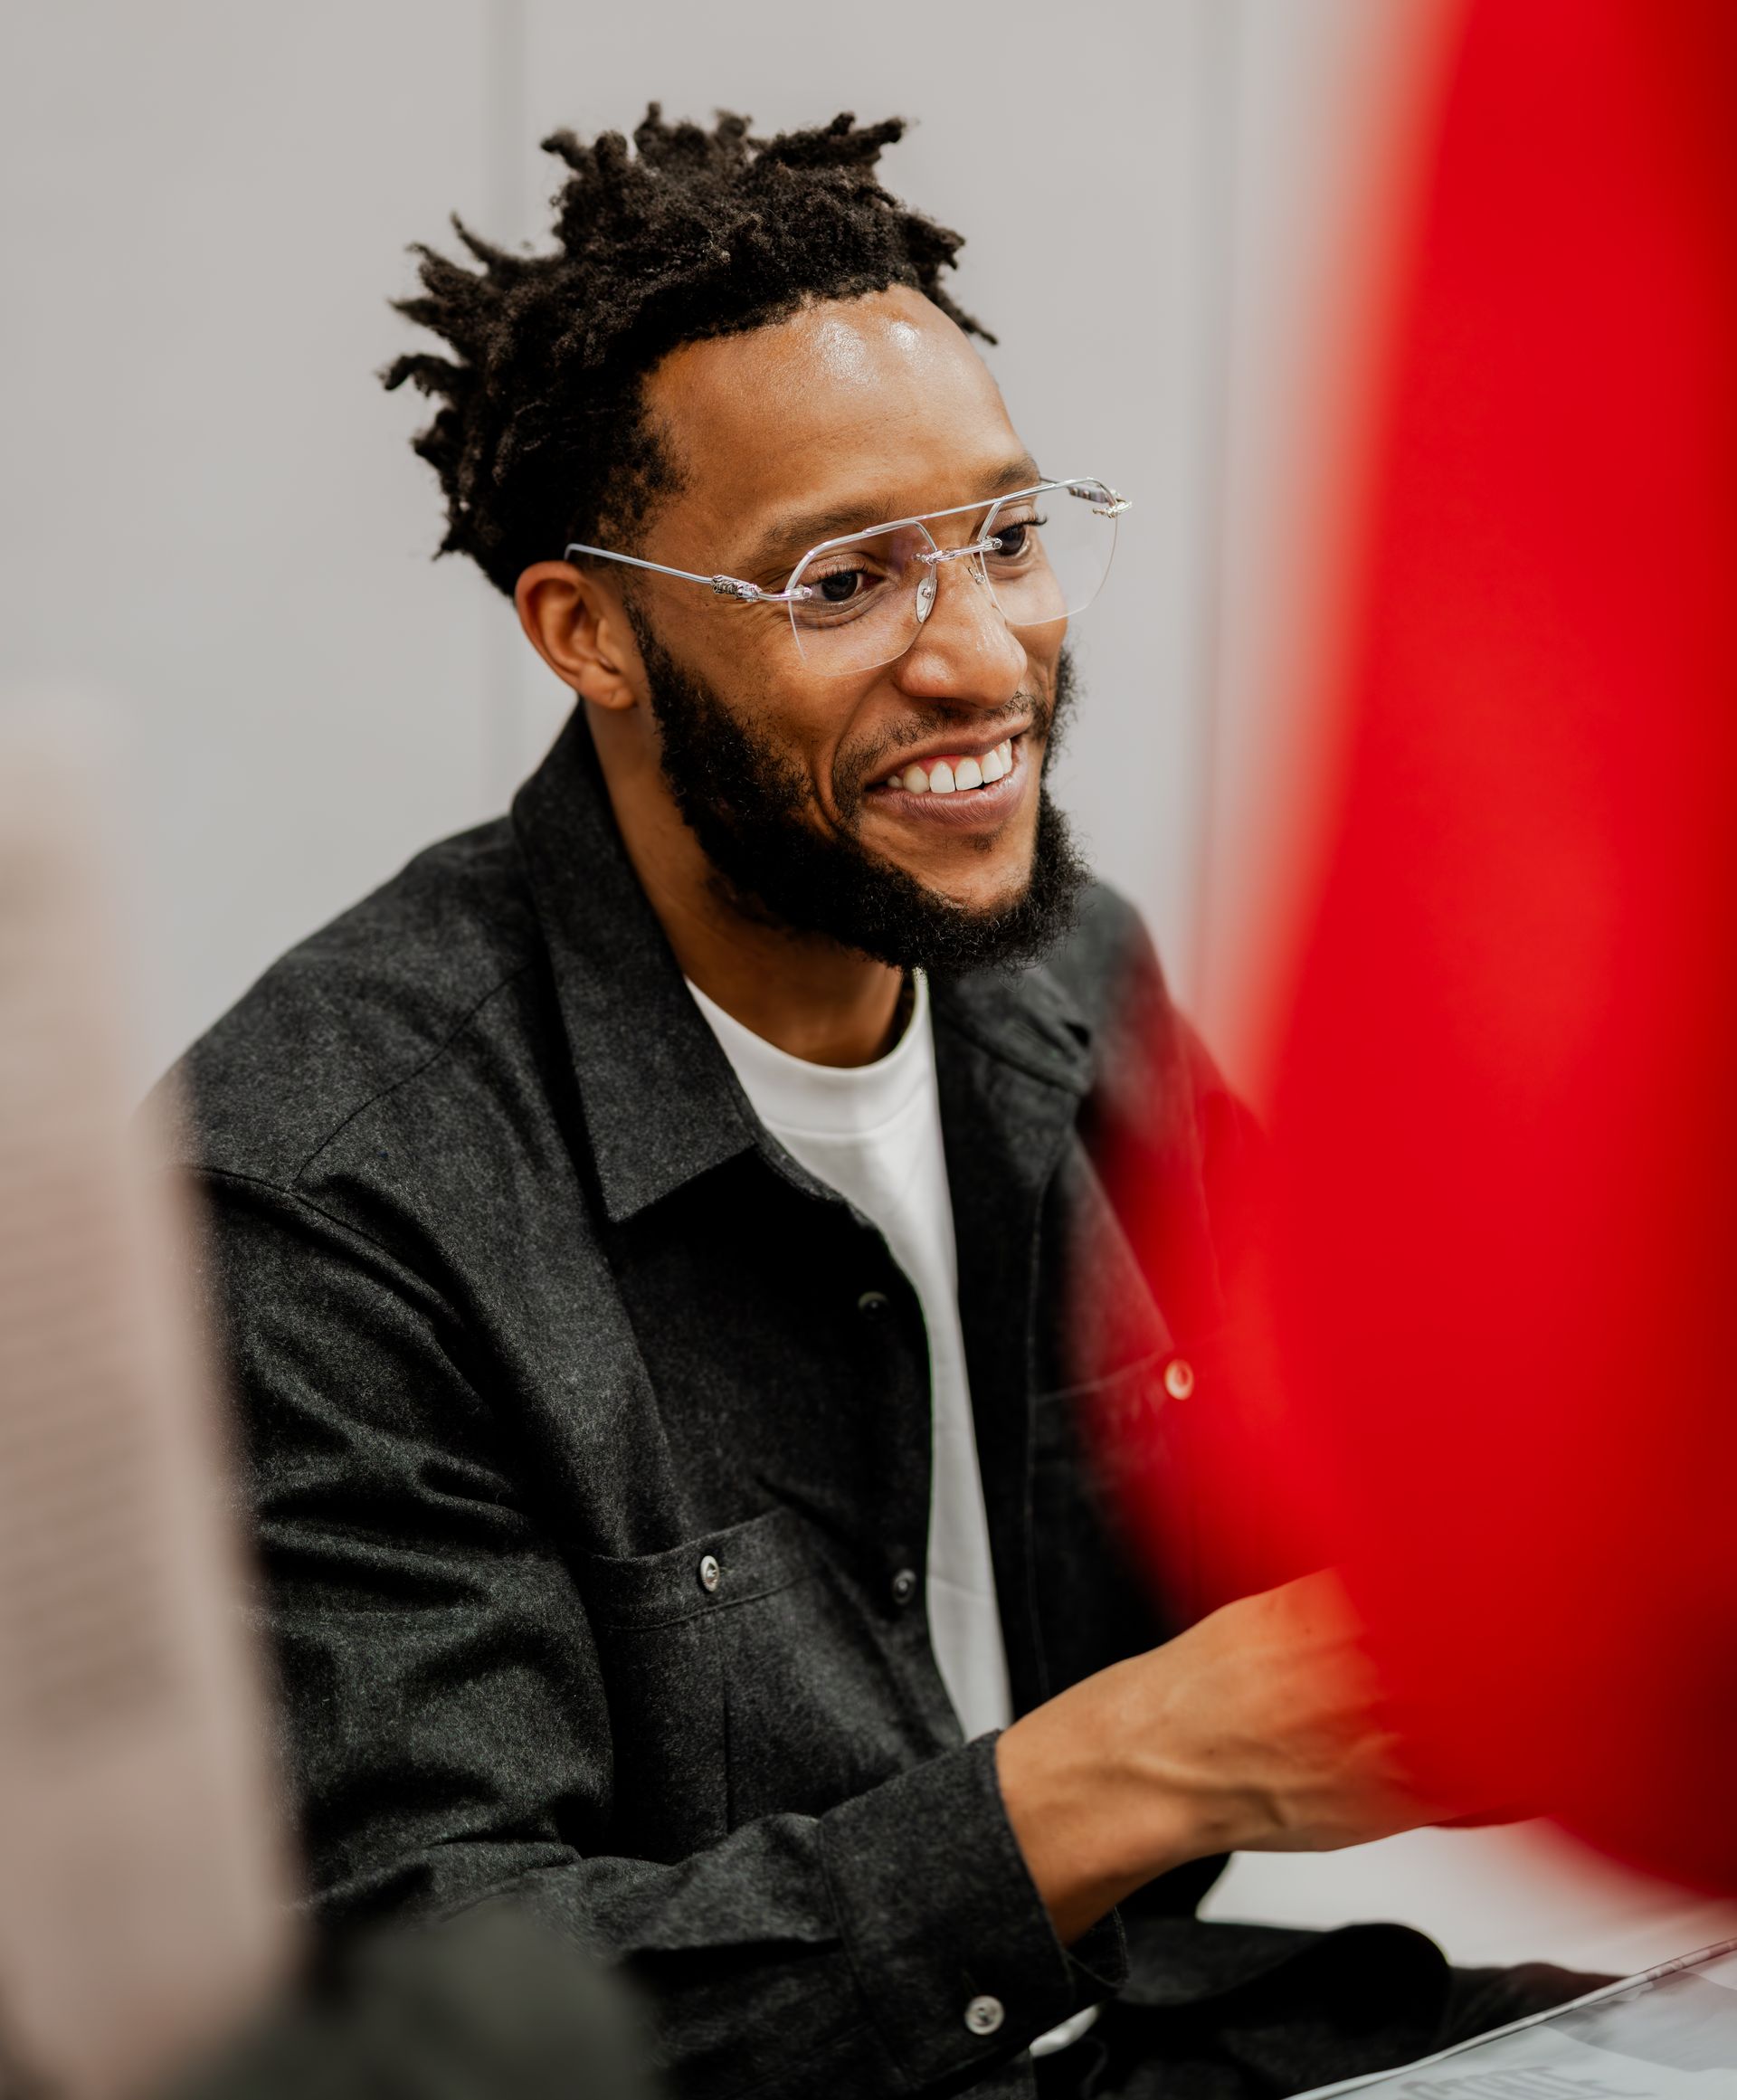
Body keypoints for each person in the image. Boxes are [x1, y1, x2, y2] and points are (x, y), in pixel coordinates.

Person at [169, 112, 1596, 2100]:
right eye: (845, 579)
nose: (982, 652)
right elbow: (441, 2029)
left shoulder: (1065, 976)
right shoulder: (316, 1195)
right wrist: (1141, 1763)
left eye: (1007, 538)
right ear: (590, 631)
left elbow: (1358, 1460)